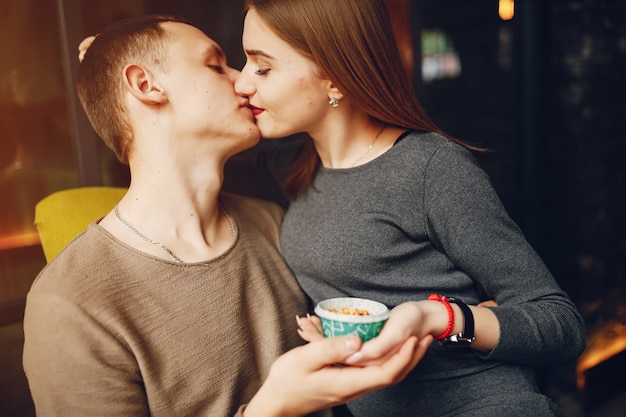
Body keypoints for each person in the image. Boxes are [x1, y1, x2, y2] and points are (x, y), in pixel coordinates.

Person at [22, 14, 432, 417]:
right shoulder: (70, 303)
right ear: (146, 85)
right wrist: (275, 408)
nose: (242, 80)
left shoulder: (275, 223)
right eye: (216, 65)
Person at [233, 0, 587, 416]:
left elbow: (560, 324)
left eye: (262, 67)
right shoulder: (292, 168)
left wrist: (439, 318)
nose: (241, 83)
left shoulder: (429, 169)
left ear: (334, 78)